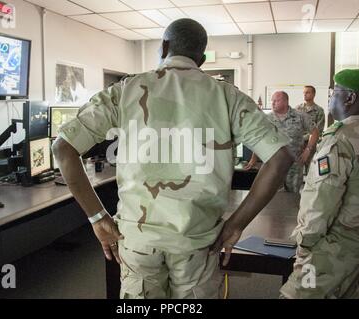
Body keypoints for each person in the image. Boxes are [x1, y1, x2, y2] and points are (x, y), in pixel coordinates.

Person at [53, 18, 293, 299]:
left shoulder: (125, 91)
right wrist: (236, 224)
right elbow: (281, 158)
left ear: (164, 46)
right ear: (201, 59)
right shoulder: (228, 97)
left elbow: (63, 149)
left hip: (138, 240)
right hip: (198, 241)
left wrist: (97, 217)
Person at [280, 69, 359, 299]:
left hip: (330, 247)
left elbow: (321, 200)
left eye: (335, 93)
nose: (331, 99)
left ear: (350, 98)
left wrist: (305, 243)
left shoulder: (339, 139)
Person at [244, 91, 319, 193]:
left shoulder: (300, 116)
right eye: (272, 101)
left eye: (276, 100)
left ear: (285, 101)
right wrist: (253, 159)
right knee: (272, 196)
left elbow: (314, 132)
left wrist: (308, 150)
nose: (273, 103)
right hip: (273, 165)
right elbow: (260, 138)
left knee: (292, 197)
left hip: (294, 165)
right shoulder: (267, 118)